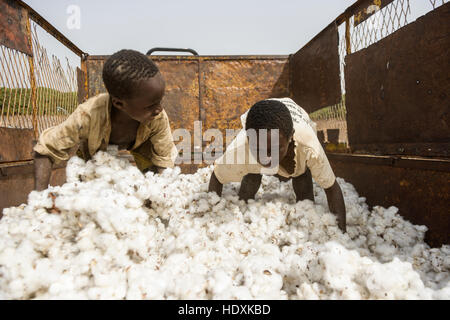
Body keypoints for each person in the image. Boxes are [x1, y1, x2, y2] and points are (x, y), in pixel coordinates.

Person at [33, 49, 177, 190]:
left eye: (160, 101)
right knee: (85, 183)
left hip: (142, 148)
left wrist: (162, 195)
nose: (159, 109)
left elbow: (164, 159)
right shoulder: (88, 115)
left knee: (152, 180)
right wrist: (40, 199)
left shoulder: (157, 117)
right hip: (93, 152)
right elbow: (46, 148)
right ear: (119, 104)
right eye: (151, 105)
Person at [208, 98, 346, 232]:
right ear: (249, 139)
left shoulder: (308, 146)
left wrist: (342, 235)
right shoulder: (240, 148)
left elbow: (332, 188)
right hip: (263, 127)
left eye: (275, 149)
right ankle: (246, 196)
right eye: (259, 150)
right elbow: (216, 177)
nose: (267, 158)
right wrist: (211, 219)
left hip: (296, 131)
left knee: (302, 180)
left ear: (290, 136)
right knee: (251, 178)